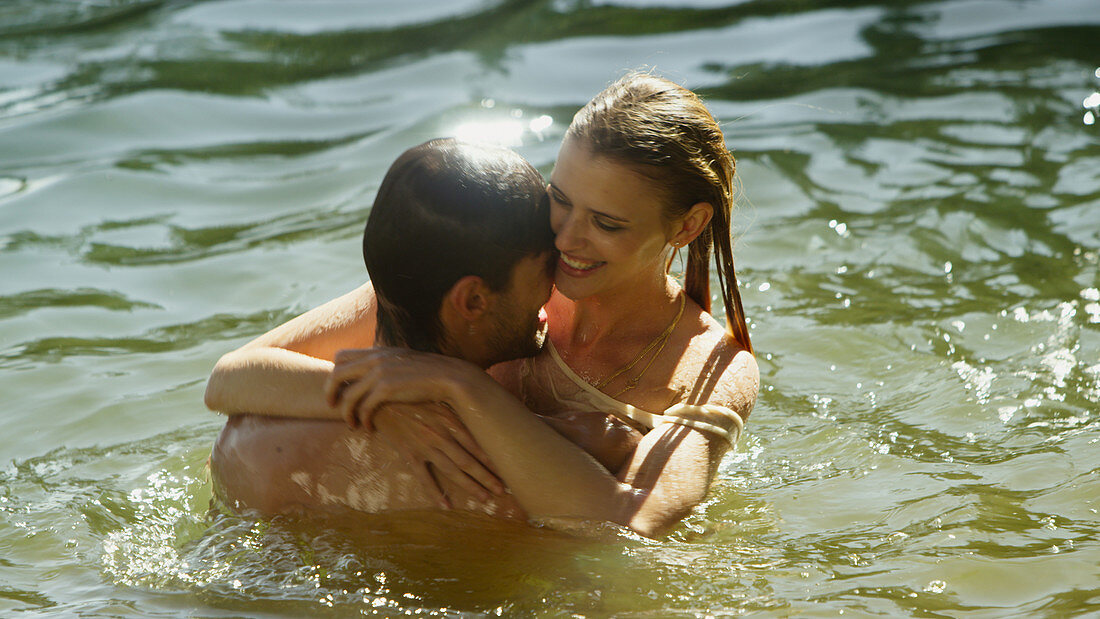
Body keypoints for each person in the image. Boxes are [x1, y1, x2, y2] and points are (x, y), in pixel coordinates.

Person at [210, 72, 759, 537]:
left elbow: (638, 527)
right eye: (560, 200)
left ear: (687, 225)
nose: (566, 239)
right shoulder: (497, 279)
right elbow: (231, 379)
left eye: (606, 223)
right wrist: (390, 404)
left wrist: (460, 385)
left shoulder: (710, 370)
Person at [206, 138, 555, 518]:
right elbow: (224, 379)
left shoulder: (248, 444)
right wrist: (382, 406)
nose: (555, 287)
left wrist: (377, 401)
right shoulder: (486, 472)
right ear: (471, 300)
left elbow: (226, 380)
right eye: (544, 269)